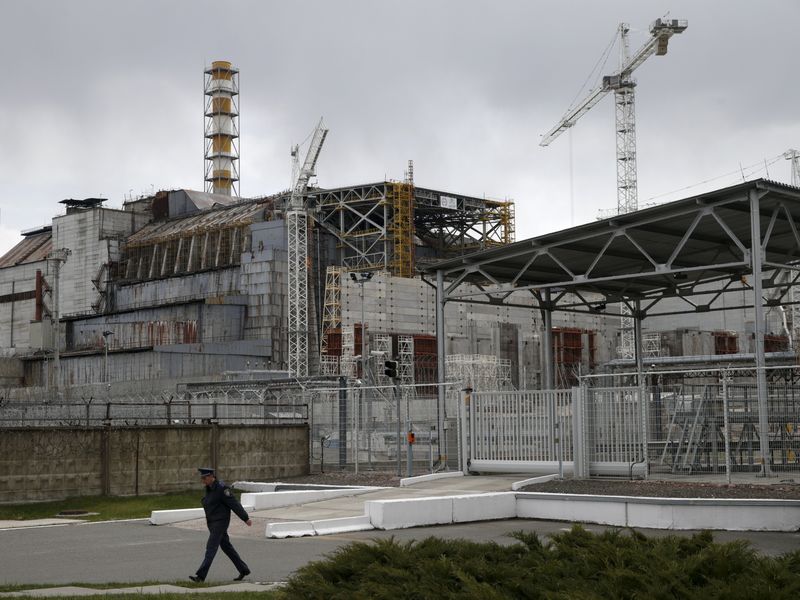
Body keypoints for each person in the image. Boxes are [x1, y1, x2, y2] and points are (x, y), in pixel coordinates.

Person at [189, 467, 252, 582]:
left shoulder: (222, 489)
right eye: (202, 478)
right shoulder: (209, 488)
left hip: (220, 523)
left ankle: (201, 576)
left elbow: (234, 503)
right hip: (213, 523)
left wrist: (245, 518)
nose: (203, 480)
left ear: (211, 477)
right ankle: (243, 569)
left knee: (211, 548)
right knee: (227, 547)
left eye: (204, 478)